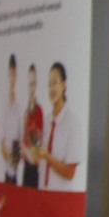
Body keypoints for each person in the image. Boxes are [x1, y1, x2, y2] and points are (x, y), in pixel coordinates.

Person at [38, 61, 82, 190]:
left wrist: (48, 157)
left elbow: (70, 173)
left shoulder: (72, 123)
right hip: (42, 193)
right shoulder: (46, 121)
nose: (51, 88)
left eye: (55, 82)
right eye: (49, 84)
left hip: (60, 196)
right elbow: (40, 160)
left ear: (63, 86)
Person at [0, 56, 24, 183]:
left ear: (16, 75)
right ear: (8, 75)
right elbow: (1, 143)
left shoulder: (19, 108)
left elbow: (20, 138)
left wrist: (14, 158)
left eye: (14, 74)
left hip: (15, 169)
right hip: (5, 169)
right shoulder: (3, 106)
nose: (12, 78)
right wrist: (7, 155)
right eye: (10, 74)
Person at [19, 64, 44, 188]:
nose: (32, 88)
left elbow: (37, 157)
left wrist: (27, 151)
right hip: (25, 170)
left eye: (33, 84)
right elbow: (22, 148)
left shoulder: (39, 112)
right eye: (29, 84)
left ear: (36, 84)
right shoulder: (25, 113)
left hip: (34, 172)